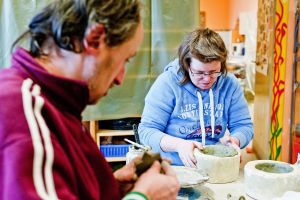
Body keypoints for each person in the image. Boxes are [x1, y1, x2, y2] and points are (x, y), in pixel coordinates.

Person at [0, 0, 179, 199]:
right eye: (124, 60)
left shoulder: (57, 104)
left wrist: (112, 189)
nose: (120, 78)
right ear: (95, 39)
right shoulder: (23, 108)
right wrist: (143, 196)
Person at [139, 28, 254, 167]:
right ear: (186, 65)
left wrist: (235, 140)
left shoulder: (229, 83)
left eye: (213, 72)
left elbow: (244, 125)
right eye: (199, 72)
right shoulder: (167, 83)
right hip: (174, 165)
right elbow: (146, 131)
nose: (207, 79)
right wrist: (179, 145)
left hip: (214, 164)